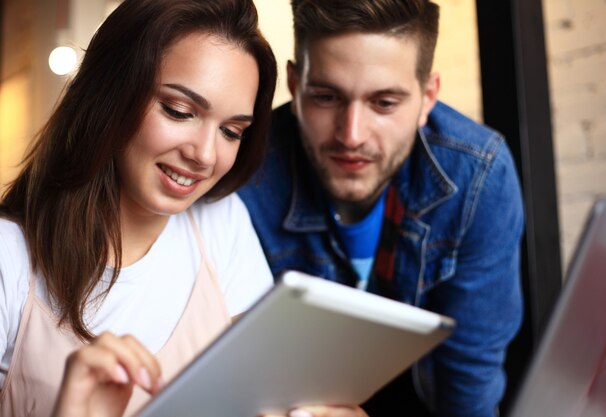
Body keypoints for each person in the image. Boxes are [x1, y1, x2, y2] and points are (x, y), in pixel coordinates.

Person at [238, 0, 525, 416]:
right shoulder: (247, 173)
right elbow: (242, 377)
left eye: (384, 103)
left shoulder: (478, 177)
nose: (351, 134)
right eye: (326, 97)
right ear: (295, 86)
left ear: (428, 97)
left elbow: (469, 385)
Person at [0, 0, 279, 415]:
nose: (205, 155)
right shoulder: (9, 255)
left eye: (231, 131)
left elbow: (262, 394)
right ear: (112, 94)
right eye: (179, 111)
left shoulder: (223, 222)